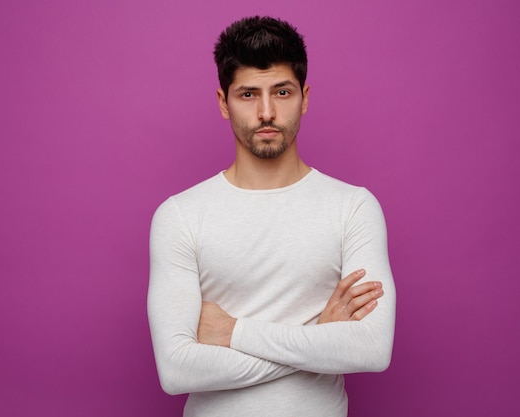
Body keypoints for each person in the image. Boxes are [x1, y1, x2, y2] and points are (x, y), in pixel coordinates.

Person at [147, 16, 396, 417]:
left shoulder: (353, 207)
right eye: (248, 95)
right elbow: (177, 370)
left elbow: (371, 348)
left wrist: (233, 333)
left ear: (305, 97)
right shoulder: (180, 216)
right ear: (223, 103)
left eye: (282, 91)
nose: (266, 112)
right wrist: (317, 340)